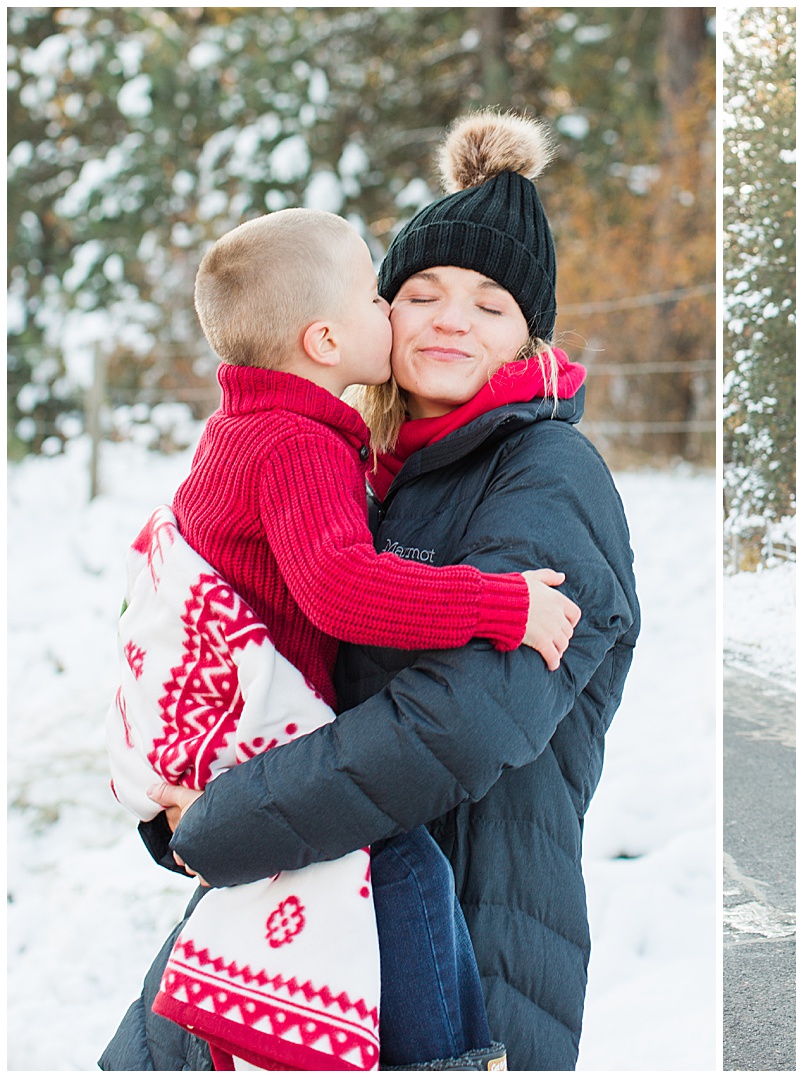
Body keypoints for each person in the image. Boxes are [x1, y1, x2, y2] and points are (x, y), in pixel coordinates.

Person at [101, 109, 640, 1072]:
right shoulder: (354, 465)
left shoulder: (549, 475)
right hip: (291, 910)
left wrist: (220, 822)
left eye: (488, 303)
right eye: (422, 291)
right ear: (370, 316)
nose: (447, 319)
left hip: (452, 936)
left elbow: (462, 720)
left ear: (529, 334)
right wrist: (181, 789)